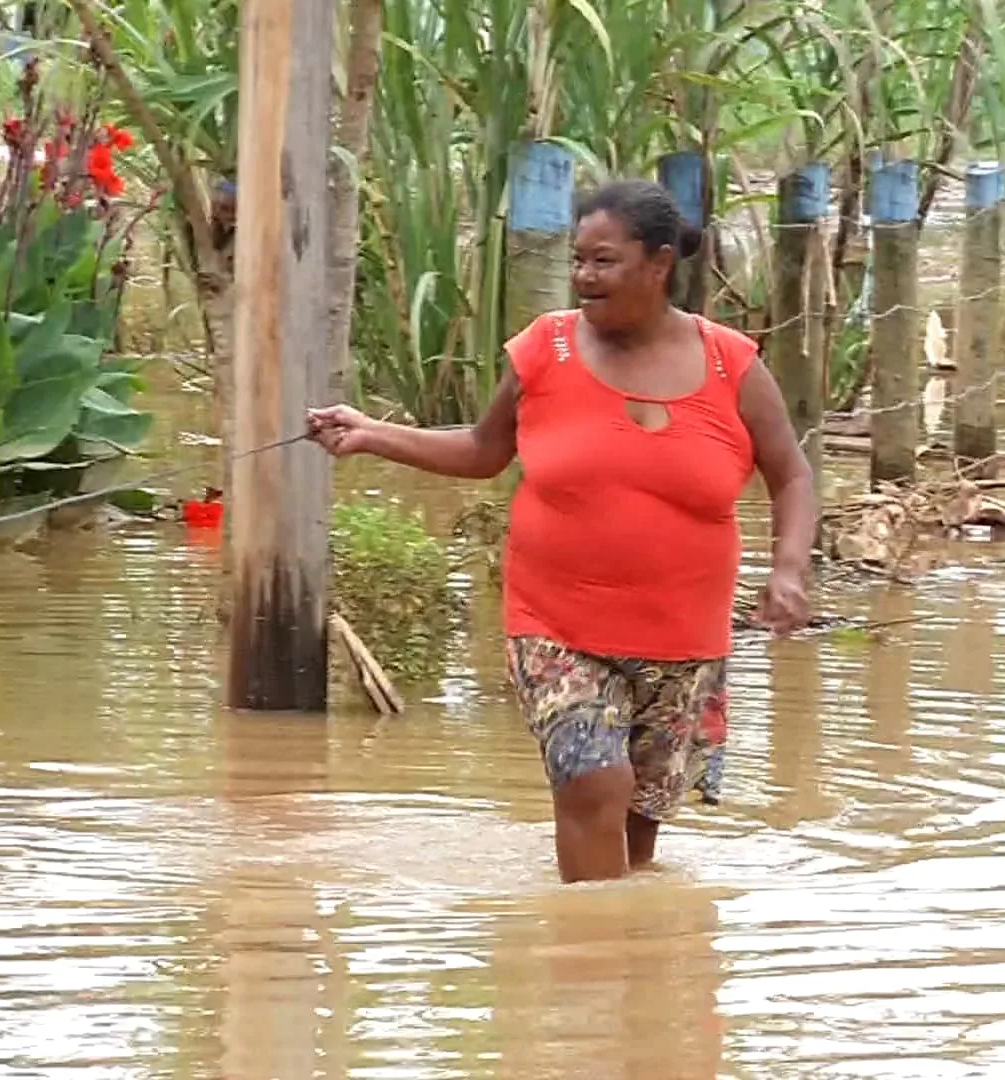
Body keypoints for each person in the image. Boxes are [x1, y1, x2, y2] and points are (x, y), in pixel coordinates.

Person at [306, 179, 817, 883]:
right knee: (592, 787)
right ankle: (587, 971)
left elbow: (791, 475)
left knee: (638, 829)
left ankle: (632, 963)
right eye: (578, 259)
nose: (582, 276)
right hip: (558, 629)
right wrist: (373, 434)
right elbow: (486, 453)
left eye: (603, 261)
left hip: (685, 642)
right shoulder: (544, 352)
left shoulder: (732, 364)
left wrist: (787, 570)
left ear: (659, 264)